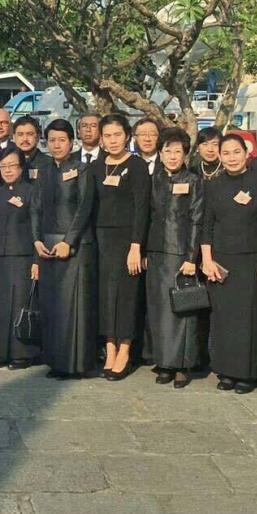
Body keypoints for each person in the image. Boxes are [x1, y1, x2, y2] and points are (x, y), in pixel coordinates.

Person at [200, 133, 257, 393]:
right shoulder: (213, 184)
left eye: (236, 152)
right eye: (226, 153)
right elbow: (206, 226)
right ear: (220, 156)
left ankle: (248, 373)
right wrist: (207, 260)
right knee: (223, 319)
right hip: (221, 261)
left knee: (249, 319)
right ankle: (225, 370)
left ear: (247, 153)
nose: (231, 158)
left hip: (252, 259)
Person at [31, 119, 97, 379]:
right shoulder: (44, 171)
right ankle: (56, 361)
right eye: (52, 140)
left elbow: (84, 209)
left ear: (72, 142)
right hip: (47, 245)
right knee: (53, 306)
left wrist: (68, 241)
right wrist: (37, 240)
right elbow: (35, 207)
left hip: (76, 246)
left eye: (62, 140)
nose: (57, 145)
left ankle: (77, 364)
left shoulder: (83, 170)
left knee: (75, 306)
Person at [146, 128, 206, 389]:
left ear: (185, 154)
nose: (172, 156)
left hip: (181, 253)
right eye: (167, 151)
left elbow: (196, 219)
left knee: (182, 309)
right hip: (157, 253)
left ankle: (183, 364)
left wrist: (192, 256)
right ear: (160, 153)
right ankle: (164, 362)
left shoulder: (194, 180)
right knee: (159, 309)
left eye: (177, 151)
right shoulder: (155, 179)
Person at [93, 114, 150, 380]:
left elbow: (142, 209)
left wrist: (136, 246)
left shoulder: (136, 165)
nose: (112, 140)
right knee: (105, 295)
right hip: (102, 240)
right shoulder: (97, 166)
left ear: (127, 136)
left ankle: (125, 349)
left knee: (127, 296)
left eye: (117, 135)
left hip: (128, 240)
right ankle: (110, 346)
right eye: (107, 136)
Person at [0, 147, 40, 368]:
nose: (8, 170)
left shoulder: (31, 190)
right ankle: (2, 351)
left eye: (12, 166)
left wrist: (37, 260)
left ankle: (22, 353)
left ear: (21, 167)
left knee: (19, 304)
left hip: (23, 255)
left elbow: (38, 228)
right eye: (3, 166)